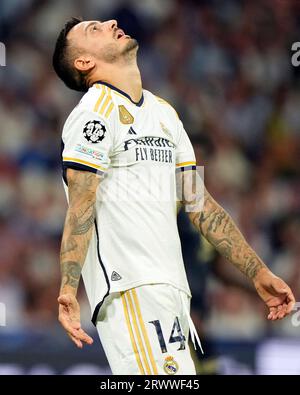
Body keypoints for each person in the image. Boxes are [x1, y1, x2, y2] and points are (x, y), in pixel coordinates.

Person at [52, 17, 295, 375]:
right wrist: (69, 290)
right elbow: (82, 204)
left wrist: (257, 272)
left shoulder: (164, 114)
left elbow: (200, 205)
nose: (111, 22)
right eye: (94, 29)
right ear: (84, 62)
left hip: (173, 292)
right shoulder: (93, 113)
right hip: (130, 289)